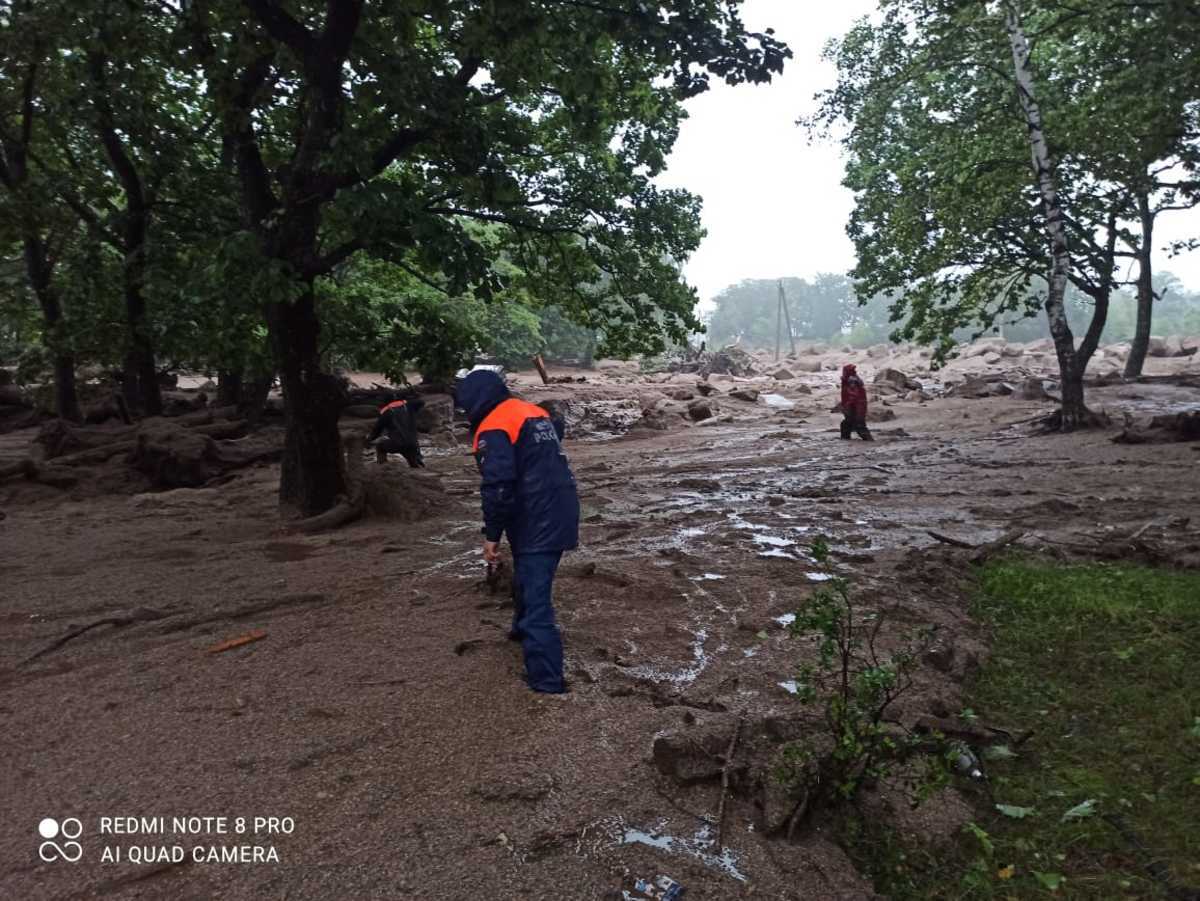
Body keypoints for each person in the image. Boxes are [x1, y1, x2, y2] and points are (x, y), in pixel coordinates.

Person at [455, 369, 579, 694]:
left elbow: (497, 486)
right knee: (526, 578)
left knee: (538, 600)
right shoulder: (531, 411)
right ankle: (519, 631)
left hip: (536, 516)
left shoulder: (493, 425)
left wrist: (491, 536)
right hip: (561, 504)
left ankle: (547, 680)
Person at [367, 396, 426, 467]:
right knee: (413, 459)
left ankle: (383, 467)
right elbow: (421, 402)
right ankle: (417, 464)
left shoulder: (386, 413)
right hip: (413, 444)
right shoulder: (409, 406)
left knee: (380, 446)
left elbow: (376, 430)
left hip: (397, 444)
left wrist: (368, 441)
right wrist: (407, 399)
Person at [839, 363, 874, 441]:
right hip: (856, 403)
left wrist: (847, 405)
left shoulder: (851, 379)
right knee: (849, 423)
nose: (855, 371)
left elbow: (853, 394)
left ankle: (868, 440)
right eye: (853, 369)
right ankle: (847, 438)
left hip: (855, 404)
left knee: (856, 423)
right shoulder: (853, 379)